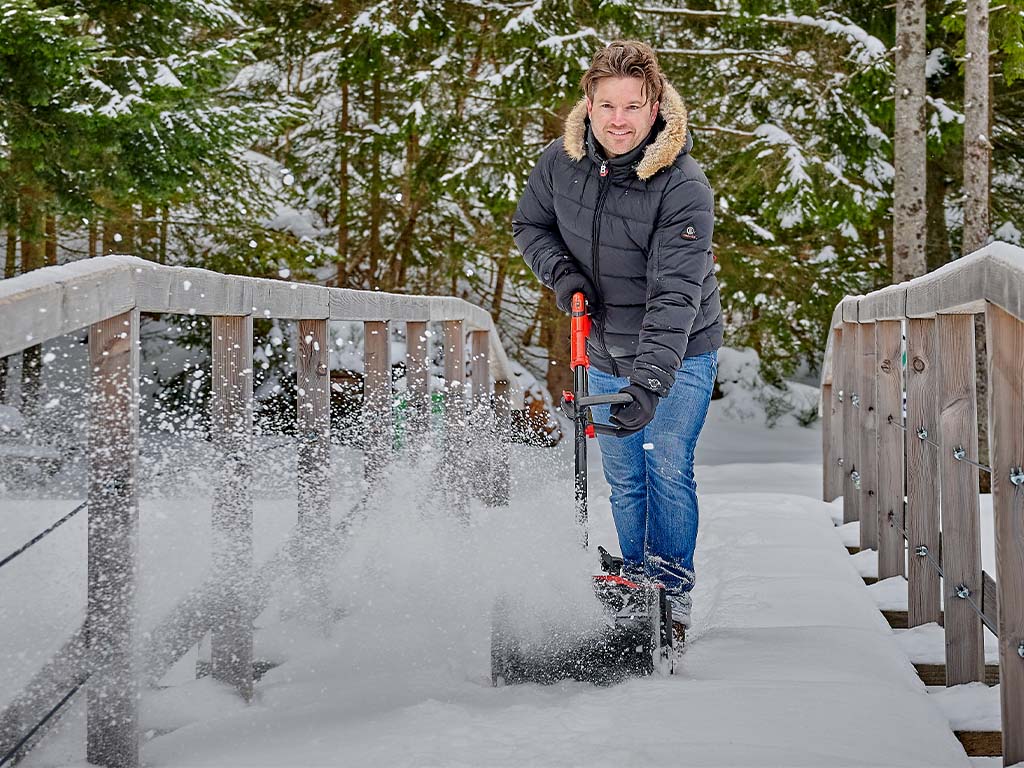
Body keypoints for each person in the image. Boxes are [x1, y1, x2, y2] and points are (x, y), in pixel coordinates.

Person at [512, 40, 722, 641]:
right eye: (607, 104)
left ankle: (672, 594)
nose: (619, 120)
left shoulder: (682, 184)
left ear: (655, 107)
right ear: (589, 103)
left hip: (679, 349)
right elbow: (531, 224)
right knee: (626, 473)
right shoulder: (560, 161)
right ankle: (637, 584)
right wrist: (565, 277)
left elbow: (676, 294)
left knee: (666, 468)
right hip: (601, 344)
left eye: (633, 105)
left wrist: (650, 382)